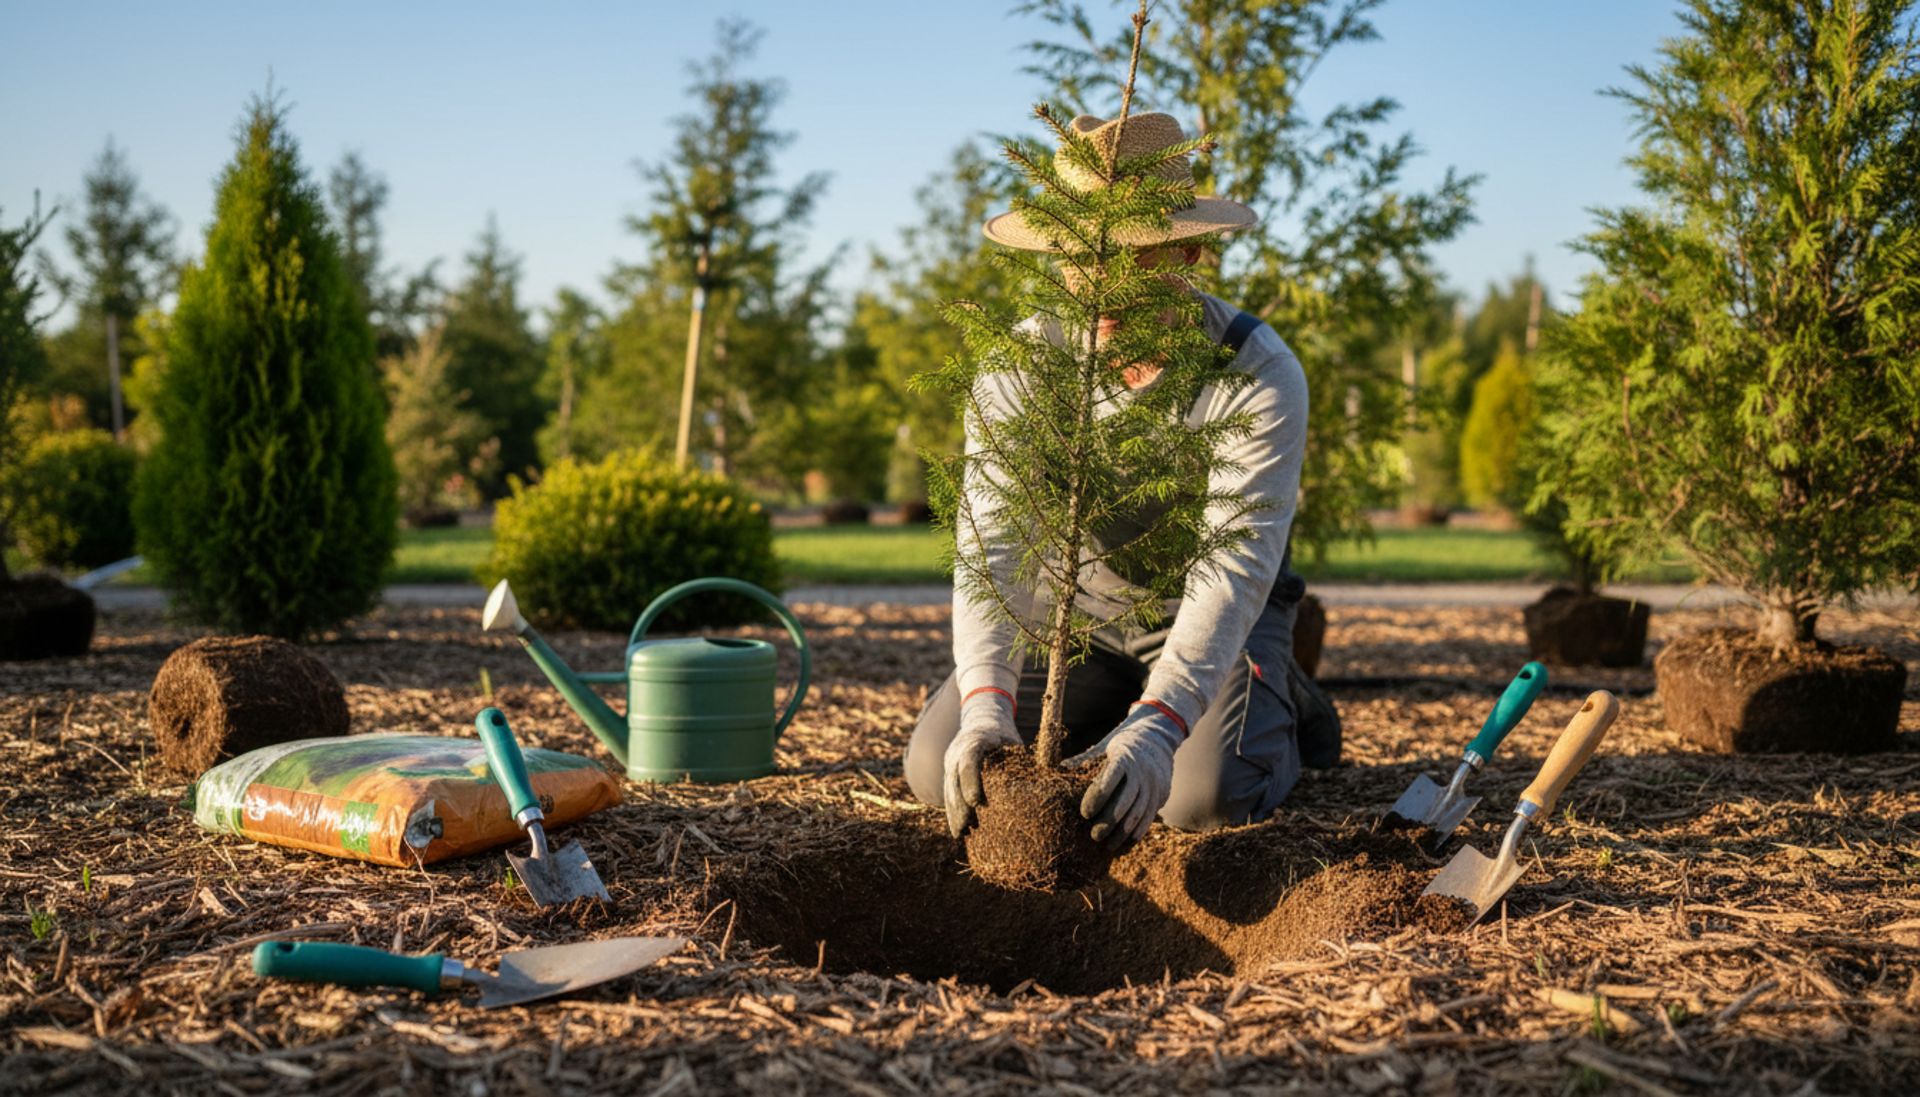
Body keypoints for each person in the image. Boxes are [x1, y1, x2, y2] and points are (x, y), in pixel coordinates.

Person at [904, 111, 1341, 851]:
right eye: (1080, 256)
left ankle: (1283, 697)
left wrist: (1160, 725)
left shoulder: (1255, 372)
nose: (1101, 284)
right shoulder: (1021, 366)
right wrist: (984, 707)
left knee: (1203, 799)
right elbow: (992, 548)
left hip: (1215, 616)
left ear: (1190, 251)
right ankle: (1118, 704)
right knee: (938, 767)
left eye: (1132, 255)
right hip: (1077, 617)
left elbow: (1233, 569)